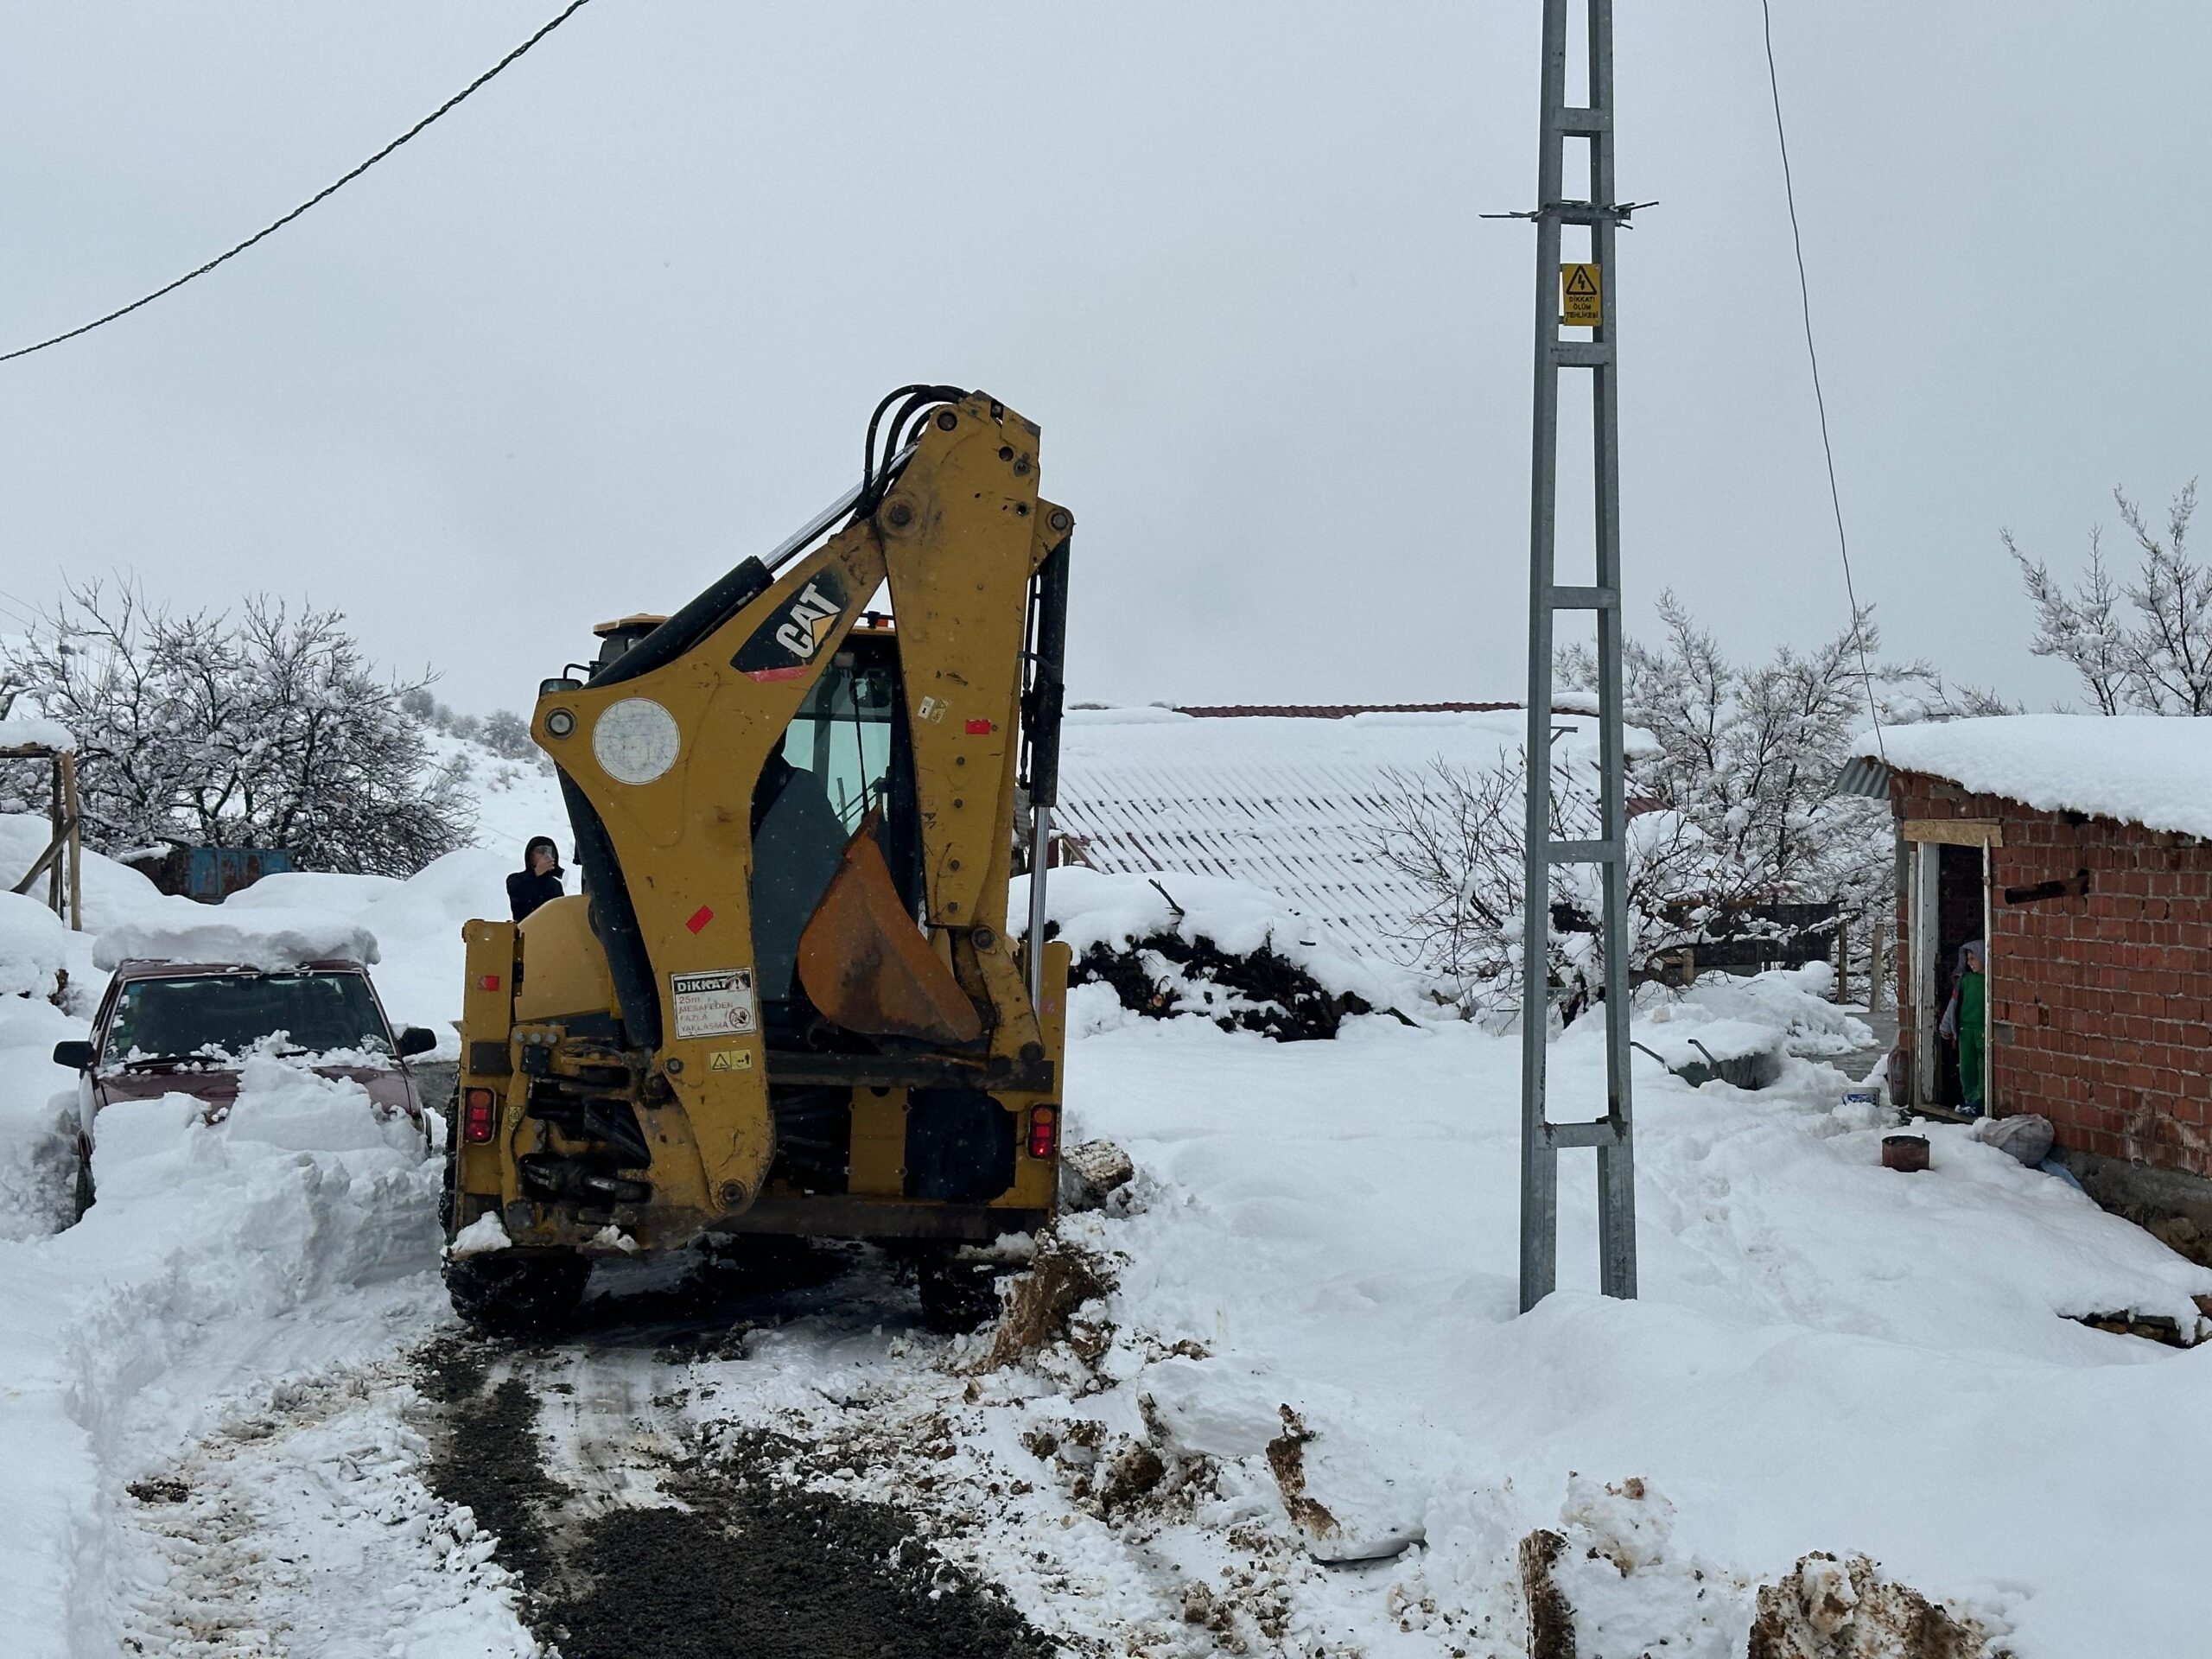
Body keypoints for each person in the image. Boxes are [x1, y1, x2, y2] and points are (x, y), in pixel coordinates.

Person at [1937, 938, 1986, 1117]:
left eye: (1973, 959)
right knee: (1967, 1067)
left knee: (1983, 1067)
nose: (1969, 963)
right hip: (1965, 1030)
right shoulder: (1965, 980)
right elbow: (1954, 1004)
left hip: (1983, 1030)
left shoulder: (1990, 981)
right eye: (1968, 959)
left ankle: (1981, 1101)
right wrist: (1947, 1026)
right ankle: (1970, 1100)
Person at [508, 836, 565, 922]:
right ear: (530, 855)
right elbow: (521, 908)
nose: (547, 856)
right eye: (541, 851)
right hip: (526, 931)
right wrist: (536, 874)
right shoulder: (516, 880)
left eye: (551, 852)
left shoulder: (555, 885)